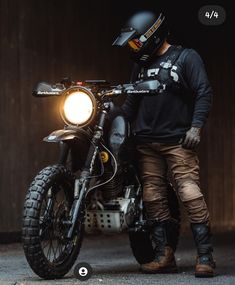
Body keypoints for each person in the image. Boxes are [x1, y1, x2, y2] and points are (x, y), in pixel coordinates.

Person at [113, 10, 216, 278]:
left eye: (137, 42)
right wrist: (113, 120)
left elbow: (204, 91)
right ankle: (164, 256)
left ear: (152, 36)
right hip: (147, 144)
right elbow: (131, 105)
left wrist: (196, 127)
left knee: (190, 193)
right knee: (152, 197)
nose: (134, 48)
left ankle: (205, 256)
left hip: (178, 142)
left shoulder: (186, 58)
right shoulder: (140, 66)